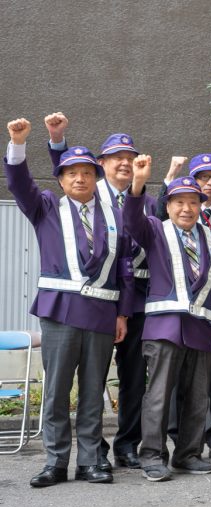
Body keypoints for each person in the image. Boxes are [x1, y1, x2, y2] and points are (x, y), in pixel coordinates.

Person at [6, 118, 130, 487]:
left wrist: (122, 313)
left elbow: (123, 265)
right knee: (58, 390)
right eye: (71, 174)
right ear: (60, 181)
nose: (80, 179)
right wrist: (18, 143)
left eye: (87, 173)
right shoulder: (45, 207)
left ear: (97, 179)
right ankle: (56, 461)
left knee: (93, 392)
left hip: (101, 313)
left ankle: (91, 461)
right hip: (60, 311)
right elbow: (18, 183)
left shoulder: (115, 216)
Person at [45, 114, 151, 471]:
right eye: (115, 156)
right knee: (80, 381)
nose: (124, 162)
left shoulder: (145, 199)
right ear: (100, 165)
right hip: (86, 302)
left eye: (130, 155)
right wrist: (57, 140)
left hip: (134, 298)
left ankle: (126, 445)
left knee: (131, 376)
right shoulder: (87, 194)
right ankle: (89, 453)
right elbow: (63, 171)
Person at [124, 159, 211, 481]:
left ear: (201, 205)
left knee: (198, 396)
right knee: (158, 394)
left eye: (193, 202)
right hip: (164, 327)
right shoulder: (155, 229)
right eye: (179, 202)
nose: (187, 208)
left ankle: (188, 454)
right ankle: (153, 456)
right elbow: (131, 220)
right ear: (168, 205)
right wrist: (138, 185)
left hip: (202, 328)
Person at [161, 153, 211, 462]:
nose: (209, 183)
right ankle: (176, 435)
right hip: (178, 308)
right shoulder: (173, 217)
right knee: (175, 378)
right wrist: (169, 176)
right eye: (202, 177)